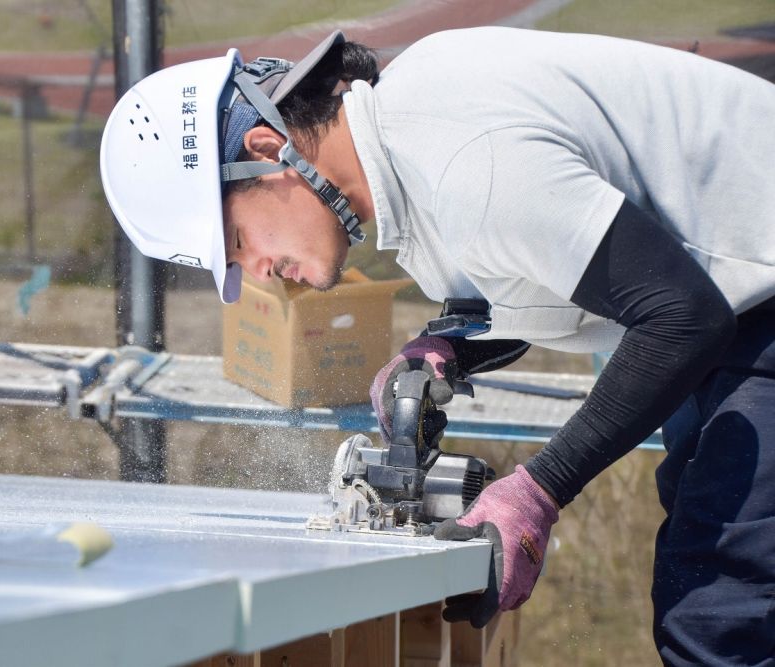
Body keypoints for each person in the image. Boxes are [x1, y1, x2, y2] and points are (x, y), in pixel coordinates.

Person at [99, 27, 775, 665]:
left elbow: (682, 318)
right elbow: (553, 264)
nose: (261, 270)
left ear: (268, 153)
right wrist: (454, 341)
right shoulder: (413, 124)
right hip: (739, 299)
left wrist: (539, 488)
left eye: (240, 243)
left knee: (721, 618)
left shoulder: (462, 163)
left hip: (748, 303)